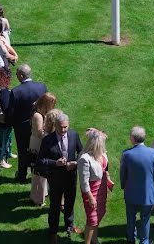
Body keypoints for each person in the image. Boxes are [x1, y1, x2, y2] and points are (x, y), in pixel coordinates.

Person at [38, 113, 82, 243]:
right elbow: (40, 160)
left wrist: (75, 163)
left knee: (70, 202)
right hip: (55, 178)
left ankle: (69, 225)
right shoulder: (47, 140)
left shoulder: (74, 135)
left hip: (71, 177)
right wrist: (55, 163)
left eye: (66, 127)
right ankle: (53, 231)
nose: (63, 130)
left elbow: (82, 151)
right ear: (55, 125)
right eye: (61, 127)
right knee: (55, 206)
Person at [120, 126, 154, 244]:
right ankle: (144, 241)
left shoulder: (126, 154)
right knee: (145, 219)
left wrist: (123, 185)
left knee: (131, 218)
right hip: (147, 194)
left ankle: (130, 239)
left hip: (130, 193)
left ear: (132, 138)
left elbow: (123, 174)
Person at [8, 64, 48, 182]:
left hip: (22, 127)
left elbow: (11, 112)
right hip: (40, 124)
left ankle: (22, 175)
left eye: (16, 74)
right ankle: (38, 172)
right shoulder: (42, 87)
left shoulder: (16, 91)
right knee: (38, 149)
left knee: (23, 150)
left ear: (21, 75)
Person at [78, 128, 114, 244]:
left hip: (102, 188)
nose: (102, 147)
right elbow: (84, 182)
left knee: (100, 213)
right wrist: (90, 197)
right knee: (92, 219)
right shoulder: (85, 159)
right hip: (91, 191)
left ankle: (94, 238)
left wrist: (108, 179)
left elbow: (105, 169)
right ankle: (87, 242)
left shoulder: (102, 154)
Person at [30, 92, 58, 206]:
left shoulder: (44, 114)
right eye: (51, 105)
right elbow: (40, 134)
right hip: (38, 145)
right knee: (39, 173)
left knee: (44, 172)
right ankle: (37, 198)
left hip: (43, 144)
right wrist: (52, 130)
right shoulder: (38, 116)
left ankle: (42, 193)